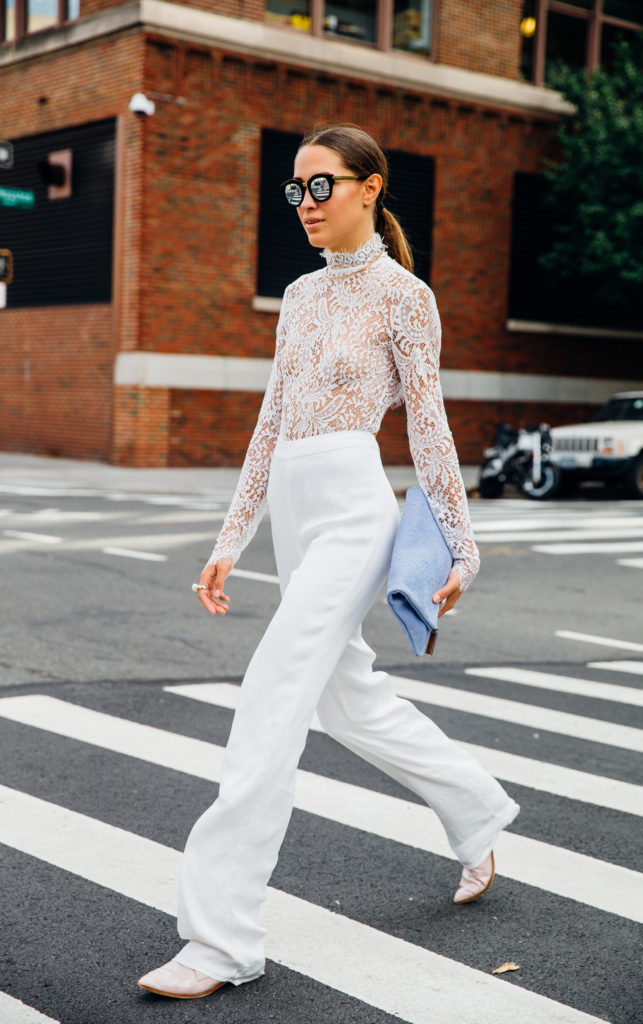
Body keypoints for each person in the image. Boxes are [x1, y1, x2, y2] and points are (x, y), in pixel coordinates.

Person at [138, 123, 520, 1000]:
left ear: (370, 188)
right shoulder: (299, 296)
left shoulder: (403, 297)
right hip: (295, 513)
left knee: (273, 698)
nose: (305, 205)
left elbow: (427, 428)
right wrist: (228, 540)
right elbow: (271, 422)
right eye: (295, 190)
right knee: (351, 703)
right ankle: (477, 811)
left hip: (353, 511)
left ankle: (220, 940)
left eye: (322, 186)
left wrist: (463, 546)